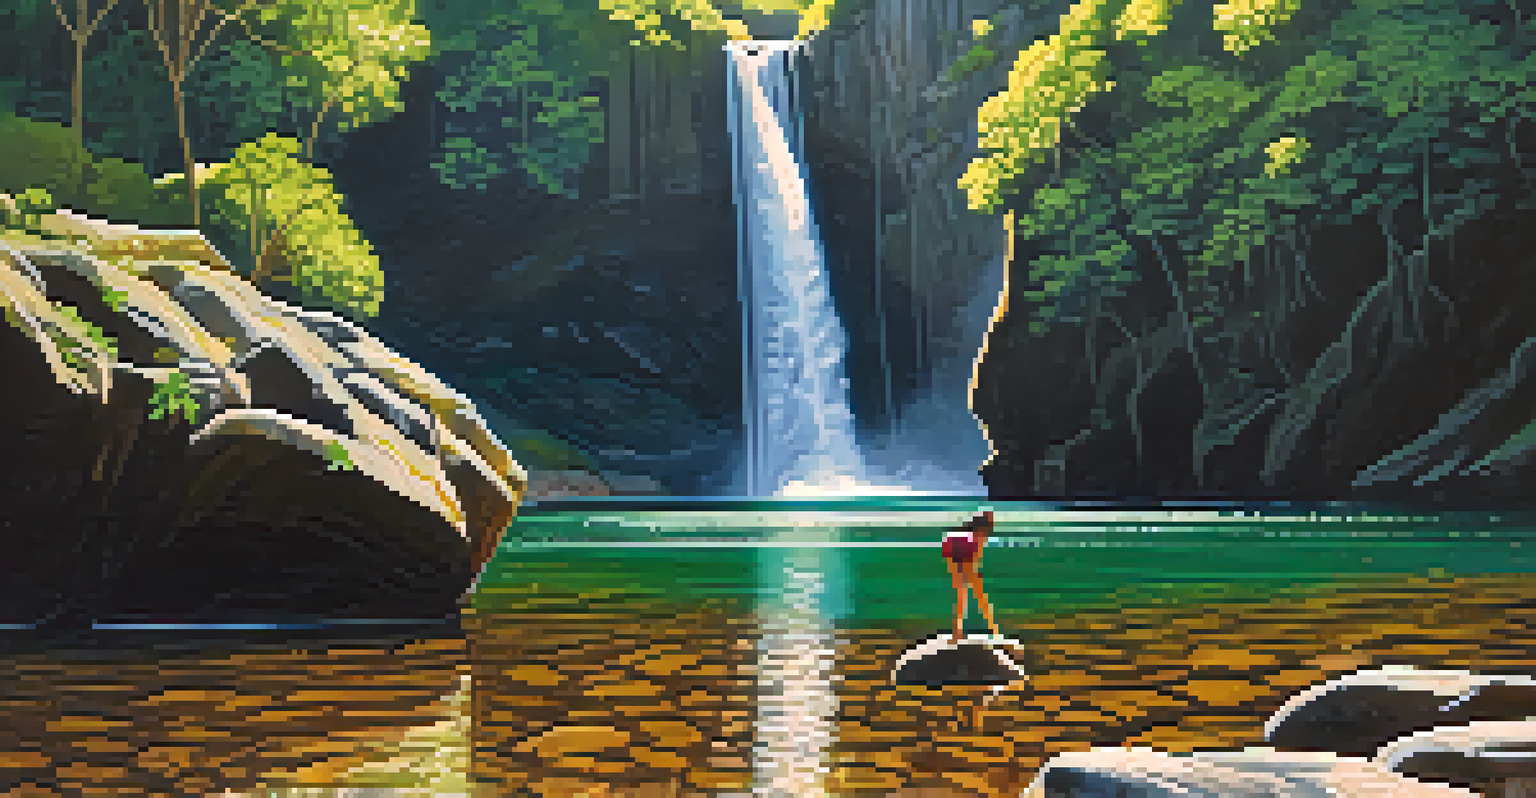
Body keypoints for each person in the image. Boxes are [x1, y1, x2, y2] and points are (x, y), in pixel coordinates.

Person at [942, 508, 1001, 643]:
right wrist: (972, 572)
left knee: (960, 600)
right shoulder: (978, 536)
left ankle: (957, 633)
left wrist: (956, 569)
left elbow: (948, 551)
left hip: (955, 563)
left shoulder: (958, 534)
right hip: (966, 563)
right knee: (981, 599)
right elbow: (975, 556)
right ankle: (994, 631)